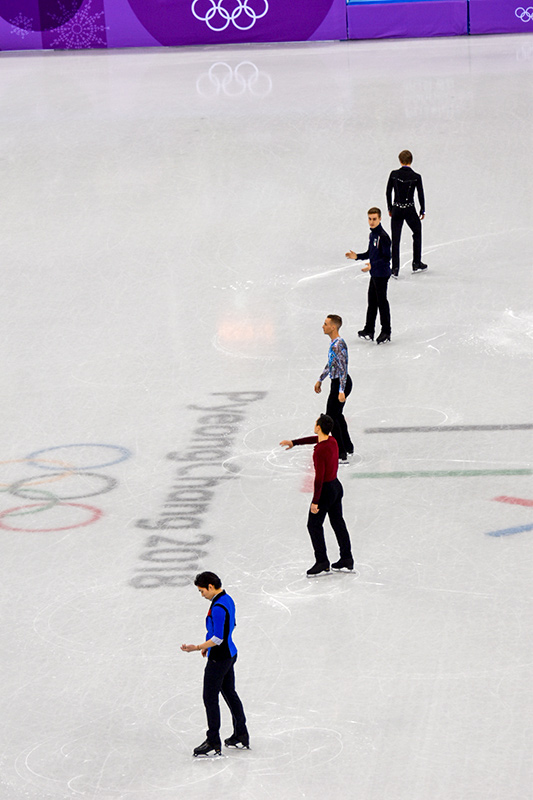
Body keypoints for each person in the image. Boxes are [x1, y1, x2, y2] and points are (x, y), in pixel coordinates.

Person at [181, 571, 249, 757]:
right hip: (229, 653)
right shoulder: (227, 599)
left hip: (219, 658)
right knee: (229, 693)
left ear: (211, 587)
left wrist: (198, 647)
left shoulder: (218, 607)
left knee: (210, 698)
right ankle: (241, 734)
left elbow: (218, 638)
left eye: (202, 591)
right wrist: (208, 646)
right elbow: (231, 626)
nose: (202, 595)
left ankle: (213, 740)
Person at [280, 414, 354, 578]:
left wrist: (315, 501)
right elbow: (316, 439)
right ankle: (347, 559)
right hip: (336, 486)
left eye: (316, 424)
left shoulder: (320, 451)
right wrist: (294, 442)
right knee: (338, 523)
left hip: (326, 490)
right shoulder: (331, 440)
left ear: (319, 427)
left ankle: (322, 562)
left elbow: (319, 478)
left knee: (313, 525)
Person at [345, 207, 392, 344]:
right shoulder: (372, 235)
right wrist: (357, 256)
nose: (371, 222)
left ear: (380, 219)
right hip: (375, 274)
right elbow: (370, 253)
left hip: (382, 274)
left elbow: (386, 258)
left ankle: (386, 331)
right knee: (372, 302)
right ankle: (369, 330)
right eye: (370, 219)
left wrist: (373, 265)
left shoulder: (383, 237)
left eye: (374, 219)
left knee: (382, 302)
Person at [315, 314, 354, 461]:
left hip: (341, 383)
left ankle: (341, 452)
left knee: (331, 417)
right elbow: (331, 364)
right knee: (337, 416)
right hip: (337, 382)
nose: (323, 326)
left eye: (325, 324)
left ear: (333, 327)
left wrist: (341, 390)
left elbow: (343, 368)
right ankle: (348, 447)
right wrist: (320, 379)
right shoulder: (334, 344)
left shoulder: (339, 345)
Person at [386, 149, 427, 276]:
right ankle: (416, 263)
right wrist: (422, 209)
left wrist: (390, 208)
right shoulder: (416, 177)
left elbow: (388, 192)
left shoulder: (394, 174)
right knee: (417, 232)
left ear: (400, 161)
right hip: (409, 209)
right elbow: (420, 194)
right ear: (411, 161)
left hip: (397, 209)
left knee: (396, 238)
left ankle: (395, 268)